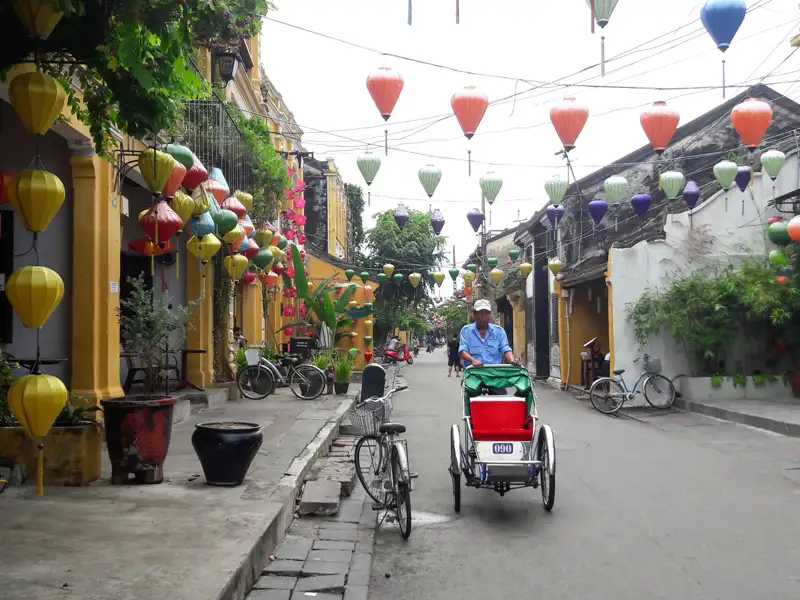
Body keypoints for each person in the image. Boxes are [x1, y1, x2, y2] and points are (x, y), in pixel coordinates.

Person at [459, 299, 519, 395]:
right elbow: (463, 350)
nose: (483, 315)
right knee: (471, 399)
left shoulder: (499, 331)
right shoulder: (466, 331)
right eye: (480, 312)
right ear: (474, 314)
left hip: (494, 374)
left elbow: (505, 348)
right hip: (474, 373)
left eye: (486, 312)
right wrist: (472, 360)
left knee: (501, 400)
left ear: (490, 314)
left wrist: (512, 360)